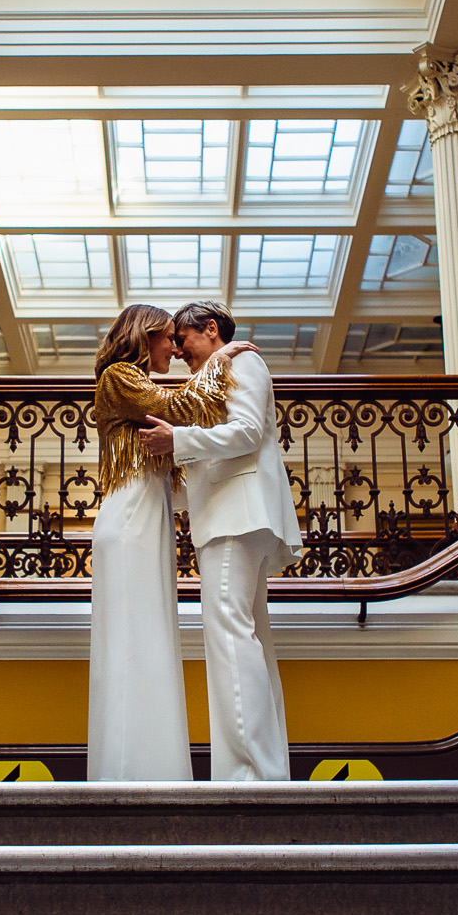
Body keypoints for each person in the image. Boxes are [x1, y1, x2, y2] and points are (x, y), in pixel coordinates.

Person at [85, 304, 255, 781]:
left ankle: (150, 770)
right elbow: (181, 410)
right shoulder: (120, 376)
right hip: (129, 524)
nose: (175, 349)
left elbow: (178, 458)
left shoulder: (132, 385)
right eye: (167, 339)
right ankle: (127, 775)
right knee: (133, 642)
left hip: (148, 521)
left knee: (150, 640)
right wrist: (220, 362)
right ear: (144, 336)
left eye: (179, 341)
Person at [140, 302, 303, 781]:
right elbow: (216, 453)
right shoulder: (214, 371)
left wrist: (180, 441)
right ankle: (265, 768)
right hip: (231, 512)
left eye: (183, 340)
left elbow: (249, 432)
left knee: (229, 639)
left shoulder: (241, 361)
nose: (177, 351)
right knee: (248, 641)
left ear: (211, 329)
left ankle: (249, 773)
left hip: (238, 514)